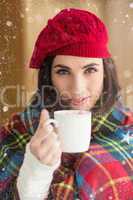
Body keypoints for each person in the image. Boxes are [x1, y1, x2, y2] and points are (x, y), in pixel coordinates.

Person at [0, 8, 133, 200]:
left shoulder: (128, 132)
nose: (77, 89)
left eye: (90, 70)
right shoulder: (16, 132)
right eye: (63, 72)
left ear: (106, 71)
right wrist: (34, 172)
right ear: (49, 76)